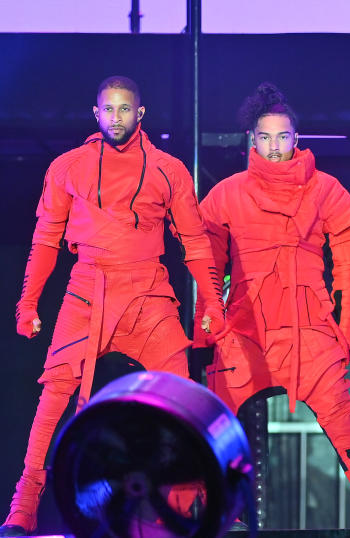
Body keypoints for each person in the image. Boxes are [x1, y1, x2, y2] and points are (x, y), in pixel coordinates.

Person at [1, 75, 225, 537]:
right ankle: (24, 502)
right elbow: (45, 240)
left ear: (140, 114)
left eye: (125, 109)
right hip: (88, 290)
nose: (117, 117)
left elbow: (195, 242)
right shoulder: (68, 167)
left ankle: (192, 501)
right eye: (109, 109)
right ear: (96, 113)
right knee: (54, 394)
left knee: (181, 397)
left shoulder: (170, 169)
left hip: (149, 292)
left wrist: (212, 302)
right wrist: (28, 302)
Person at [194, 83, 350, 525]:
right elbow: (208, 264)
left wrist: (345, 333)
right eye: (266, 137)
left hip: (311, 331)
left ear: (297, 138)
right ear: (251, 140)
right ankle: (205, 514)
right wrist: (211, 324)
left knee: (343, 428)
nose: (275, 147)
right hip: (246, 330)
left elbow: (347, 270)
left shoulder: (326, 190)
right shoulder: (227, 194)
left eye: (283, 137)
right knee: (213, 426)